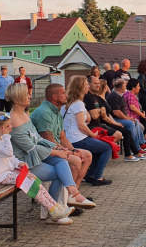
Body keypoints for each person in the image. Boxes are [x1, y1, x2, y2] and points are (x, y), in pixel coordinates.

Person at [6, 83, 95, 223]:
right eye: (27, 94)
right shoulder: (13, 120)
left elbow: (39, 139)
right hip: (24, 163)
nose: (30, 96)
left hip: (35, 158)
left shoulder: (24, 115)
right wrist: (57, 152)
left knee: (62, 162)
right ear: (17, 98)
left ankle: (70, 196)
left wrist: (60, 149)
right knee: (61, 170)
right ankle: (57, 209)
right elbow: (31, 148)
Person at [0, 112, 72, 221]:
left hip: (7, 172)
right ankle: (52, 209)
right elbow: (8, 153)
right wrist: (6, 137)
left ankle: (55, 206)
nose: (10, 128)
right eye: (6, 127)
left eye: (10, 125)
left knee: (33, 179)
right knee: (27, 182)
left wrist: (18, 163)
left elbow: (10, 157)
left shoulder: (1, 139)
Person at [31, 84, 93, 192]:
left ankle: (74, 192)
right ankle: (67, 196)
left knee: (87, 155)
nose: (66, 95)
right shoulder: (44, 112)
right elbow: (49, 141)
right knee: (75, 161)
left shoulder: (57, 111)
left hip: (55, 148)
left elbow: (63, 138)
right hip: (44, 152)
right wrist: (71, 153)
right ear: (55, 97)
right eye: (63, 93)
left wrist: (74, 150)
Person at [61, 76, 113, 186]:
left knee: (100, 147)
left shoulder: (70, 102)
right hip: (77, 138)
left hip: (70, 137)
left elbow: (88, 119)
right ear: (80, 88)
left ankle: (91, 174)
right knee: (107, 147)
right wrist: (93, 135)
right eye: (86, 85)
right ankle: (97, 176)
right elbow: (82, 125)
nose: (88, 86)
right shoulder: (78, 104)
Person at [88, 77, 143, 162]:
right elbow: (106, 114)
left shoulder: (101, 98)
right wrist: (116, 122)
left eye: (98, 83)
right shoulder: (108, 97)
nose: (97, 85)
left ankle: (138, 148)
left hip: (108, 121)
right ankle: (131, 152)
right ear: (106, 87)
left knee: (134, 124)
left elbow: (106, 114)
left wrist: (117, 122)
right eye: (95, 83)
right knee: (129, 127)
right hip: (104, 123)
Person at [108, 79, 146, 152]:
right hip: (115, 119)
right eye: (125, 85)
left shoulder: (120, 95)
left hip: (121, 118)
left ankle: (140, 144)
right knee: (131, 123)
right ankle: (135, 149)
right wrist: (127, 118)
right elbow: (117, 112)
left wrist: (129, 117)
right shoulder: (113, 96)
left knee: (135, 121)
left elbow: (124, 110)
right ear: (122, 86)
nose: (126, 87)